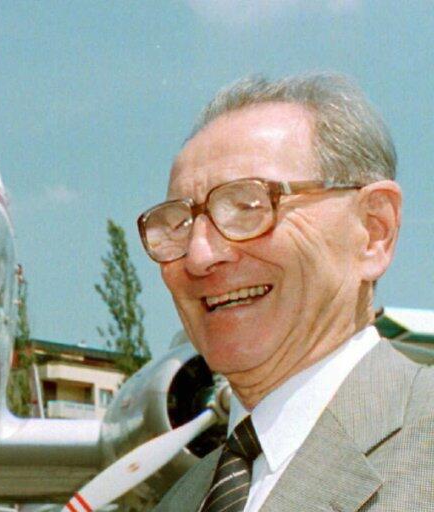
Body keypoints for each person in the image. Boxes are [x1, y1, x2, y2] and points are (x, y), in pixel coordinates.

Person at [139, 74, 434, 511]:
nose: (199, 256)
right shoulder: (179, 501)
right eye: (178, 224)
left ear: (373, 231)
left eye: (248, 207)